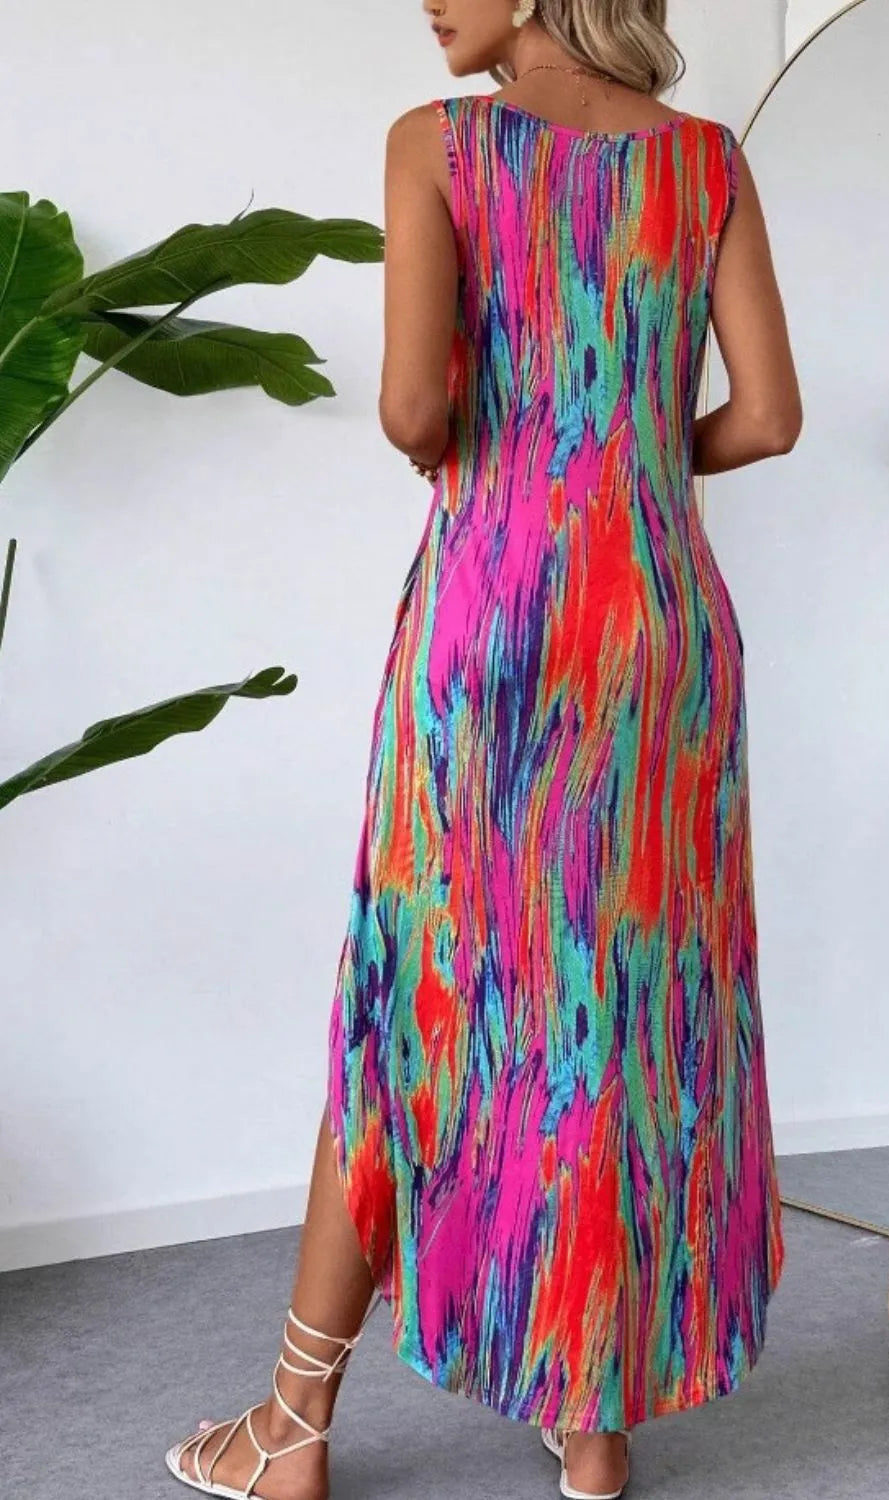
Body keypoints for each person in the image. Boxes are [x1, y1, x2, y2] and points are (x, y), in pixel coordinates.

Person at [165, 1, 800, 1497]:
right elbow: (770, 418)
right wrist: (627, 453)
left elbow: (412, 410)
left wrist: (502, 451)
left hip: (497, 618)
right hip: (660, 632)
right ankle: (592, 1426)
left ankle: (292, 1428)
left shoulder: (439, 145)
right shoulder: (706, 162)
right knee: (619, 1003)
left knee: (414, 992)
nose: (427, 0)